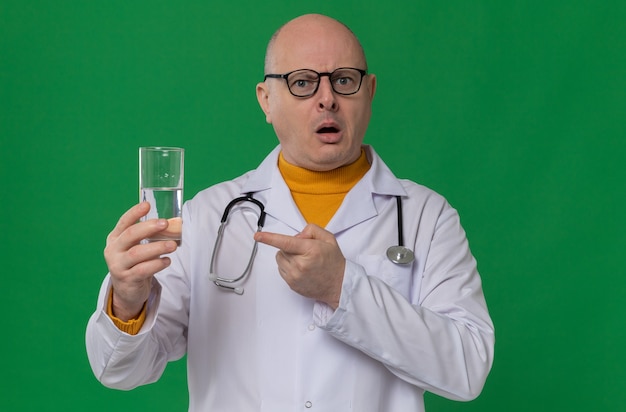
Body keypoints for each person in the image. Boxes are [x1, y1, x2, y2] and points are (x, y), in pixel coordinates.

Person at [86, 13, 495, 411]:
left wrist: (342, 287)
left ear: (369, 92)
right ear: (266, 99)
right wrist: (127, 300)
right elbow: (120, 371)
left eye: (344, 80)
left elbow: (468, 368)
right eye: (302, 83)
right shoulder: (208, 216)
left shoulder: (427, 217)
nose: (327, 99)